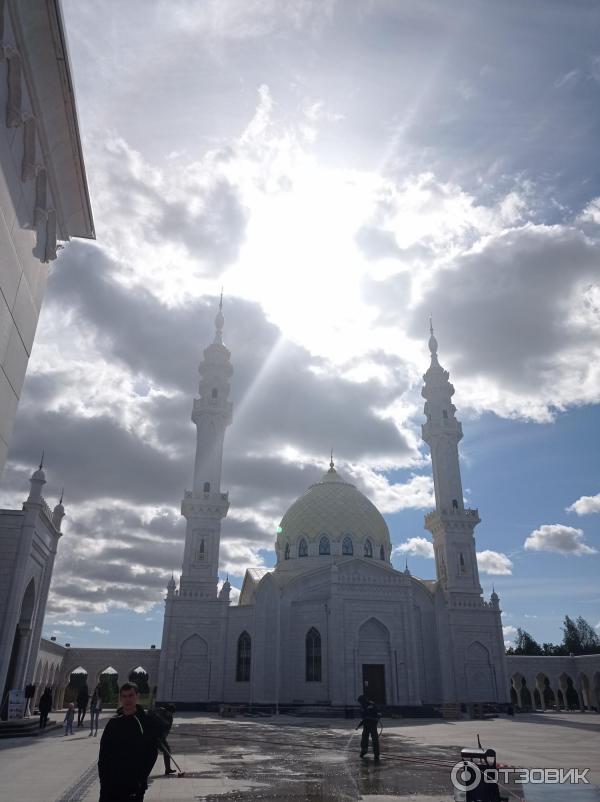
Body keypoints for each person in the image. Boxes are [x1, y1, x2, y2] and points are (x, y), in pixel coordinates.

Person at [98, 682, 159, 802]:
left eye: (131, 695)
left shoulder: (146, 722)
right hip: (110, 785)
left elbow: (152, 754)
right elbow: (103, 754)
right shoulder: (113, 722)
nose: (128, 700)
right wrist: (103, 780)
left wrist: (140, 780)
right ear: (120, 698)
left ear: (137, 696)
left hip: (133, 786)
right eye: (124, 696)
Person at [149, 704, 176, 775]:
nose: (170, 714)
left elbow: (167, 730)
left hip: (160, 737)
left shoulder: (170, 719)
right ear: (166, 710)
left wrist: (162, 737)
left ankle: (168, 769)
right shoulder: (158, 711)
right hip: (149, 735)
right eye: (169, 712)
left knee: (167, 750)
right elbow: (149, 713)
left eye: (172, 713)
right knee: (150, 753)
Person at [357, 694, 381, 763]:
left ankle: (376, 754)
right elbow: (363, 717)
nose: (360, 703)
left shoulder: (372, 705)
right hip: (366, 725)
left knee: (374, 739)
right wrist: (359, 725)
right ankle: (364, 751)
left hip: (373, 724)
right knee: (364, 738)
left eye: (361, 702)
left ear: (364, 700)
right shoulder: (362, 707)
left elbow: (378, 714)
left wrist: (375, 718)